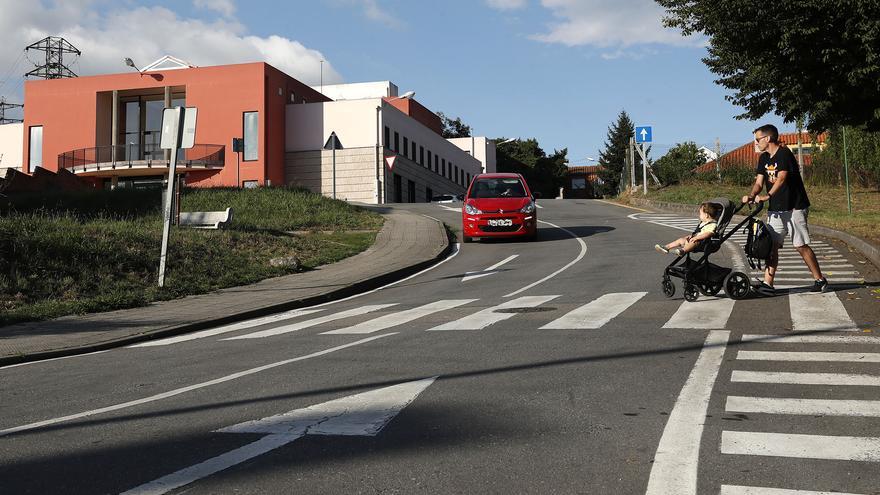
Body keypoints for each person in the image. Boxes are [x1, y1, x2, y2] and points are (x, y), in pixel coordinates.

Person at [742, 124, 827, 296]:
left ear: (768, 138)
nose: (756, 143)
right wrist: (751, 195)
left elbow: (781, 178)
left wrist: (768, 195)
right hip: (776, 209)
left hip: (795, 206)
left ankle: (820, 280)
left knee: (800, 245)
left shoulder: (784, 153)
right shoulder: (763, 158)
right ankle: (768, 284)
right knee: (771, 245)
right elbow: (759, 182)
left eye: (758, 139)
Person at [655, 202, 721, 256]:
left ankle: (683, 250)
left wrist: (697, 238)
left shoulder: (712, 224)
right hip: (694, 239)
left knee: (693, 243)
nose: (699, 215)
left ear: (706, 215)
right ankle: (667, 247)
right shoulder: (703, 223)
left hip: (702, 243)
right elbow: (698, 232)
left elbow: (709, 233)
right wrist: (692, 236)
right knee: (681, 240)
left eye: (700, 214)